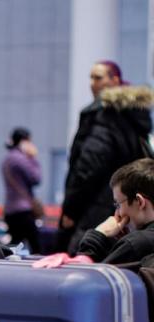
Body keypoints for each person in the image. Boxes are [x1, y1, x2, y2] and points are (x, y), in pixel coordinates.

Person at [59, 60, 153, 253]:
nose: (92, 83)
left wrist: (70, 209)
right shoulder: (136, 116)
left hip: (95, 209)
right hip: (130, 210)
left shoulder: (104, 116)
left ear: (115, 80)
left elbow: (88, 167)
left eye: (98, 77)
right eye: (91, 77)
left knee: (80, 266)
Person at [77, 158, 154, 263]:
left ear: (139, 202)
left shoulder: (134, 245)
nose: (117, 214)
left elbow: (87, 277)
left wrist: (97, 236)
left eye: (118, 204)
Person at [1, 127, 42, 252]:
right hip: (23, 210)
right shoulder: (21, 158)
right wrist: (32, 157)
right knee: (36, 247)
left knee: (15, 246)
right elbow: (36, 178)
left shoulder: (6, 159)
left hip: (9, 210)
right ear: (24, 141)